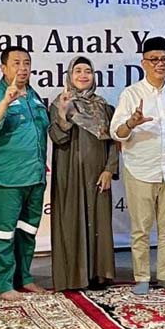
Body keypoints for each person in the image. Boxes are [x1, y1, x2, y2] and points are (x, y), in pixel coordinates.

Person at [111, 36, 165, 295]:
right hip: (140, 170)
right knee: (141, 229)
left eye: (164, 59)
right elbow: (116, 132)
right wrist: (132, 123)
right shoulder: (131, 94)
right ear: (143, 63)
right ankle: (142, 277)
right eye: (154, 59)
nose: (160, 64)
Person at [0, 45, 49, 300]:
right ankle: (1, 284)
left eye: (26, 63)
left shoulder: (34, 95)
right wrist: (6, 102)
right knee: (3, 233)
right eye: (16, 63)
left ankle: (23, 278)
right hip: (6, 179)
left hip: (35, 177)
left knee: (27, 231)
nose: (22, 68)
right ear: (3, 68)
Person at [49, 56, 118, 291]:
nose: (83, 75)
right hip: (70, 173)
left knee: (99, 222)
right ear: (69, 75)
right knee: (71, 221)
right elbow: (58, 137)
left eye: (87, 71)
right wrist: (63, 113)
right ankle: (73, 277)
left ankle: (99, 274)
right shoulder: (60, 102)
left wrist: (109, 169)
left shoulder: (104, 106)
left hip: (98, 172)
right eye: (77, 71)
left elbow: (113, 142)